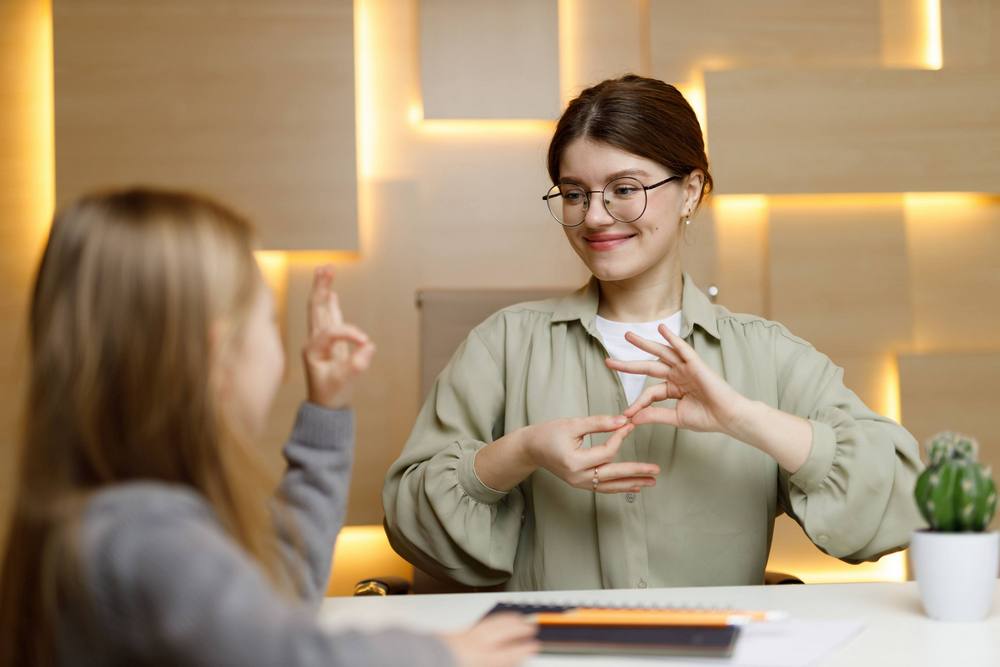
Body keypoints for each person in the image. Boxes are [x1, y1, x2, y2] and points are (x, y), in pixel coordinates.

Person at [383, 75, 925, 592]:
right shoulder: (502, 345)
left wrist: (744, 418)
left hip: (717, 644)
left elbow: (902, 503)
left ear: (690, 191)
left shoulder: (767, 353)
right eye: (574, 194)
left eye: (624, 189)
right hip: (551, 645)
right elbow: (410, 525)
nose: (595, 217)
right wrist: (520, 452)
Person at [0, 188, 537, 667]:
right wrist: (443, 653)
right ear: (216, 354)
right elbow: (291, 655)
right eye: (268, 320)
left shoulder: (101, 520)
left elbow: (277, 593)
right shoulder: (152, 541)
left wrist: (326, 410)